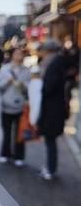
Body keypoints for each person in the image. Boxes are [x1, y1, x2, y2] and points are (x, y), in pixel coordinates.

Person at [0, 47, 30, 166]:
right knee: (7, 132)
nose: (19, 56)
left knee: (19, 133)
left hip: (21, 106)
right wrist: (7, 82)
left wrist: (23, 86)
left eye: (21, 53)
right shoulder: (5, 69)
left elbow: (31, 88)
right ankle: (5, 154)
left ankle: (19, 156)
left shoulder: (26, 70)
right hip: (6, 105)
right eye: (17, 53)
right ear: (12, 55)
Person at [38, 38, 66, 181]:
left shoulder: (53, 63)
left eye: (42, 50)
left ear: (48, 51)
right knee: (50, 139)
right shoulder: (56, 61)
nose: (40, 53)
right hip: (53, 106)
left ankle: (51, 169)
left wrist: (39, 87)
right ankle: (49, 166)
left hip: (53, 108)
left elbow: (49, 87)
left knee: (50, 139)